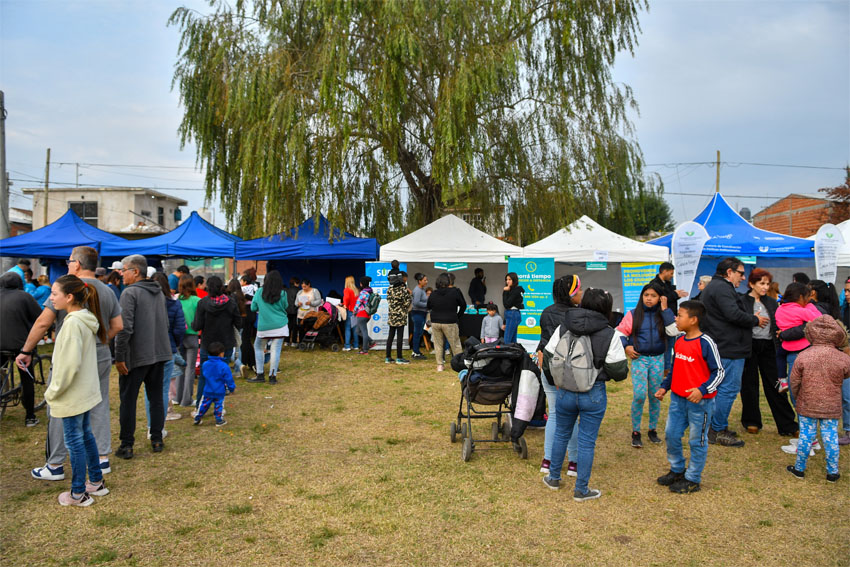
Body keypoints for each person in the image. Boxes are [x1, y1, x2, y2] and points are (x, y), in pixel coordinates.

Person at [21, 246, 123, 480]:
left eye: (69, 261)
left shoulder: (67, 288)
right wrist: (99, 341)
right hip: (100, 353)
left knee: (60, 404)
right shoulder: (107, 290)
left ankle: (55, 463)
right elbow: (118, 325)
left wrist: (26, 349)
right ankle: (101, 458)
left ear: (77, 264)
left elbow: (42, 323)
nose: (68, 265)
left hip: (71, 353)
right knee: (98, 402)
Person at [541, 288, 628, 501]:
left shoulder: (565, 326)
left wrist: (558, 381)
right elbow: (619, 372)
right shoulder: (611, 334)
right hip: (593, 392)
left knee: (562, 433)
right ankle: (581, 490)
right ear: (607, 308)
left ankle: (553, 477)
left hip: (566, 390)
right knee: (587, 442)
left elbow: (549, 356)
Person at [41, 275, 109, 506]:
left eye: (54, 293)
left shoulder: (72, 323)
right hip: (83, 392)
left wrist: (53, 392)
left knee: (75, 441)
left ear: (69, 297)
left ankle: (78, 493)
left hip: (72, 394)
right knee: (85, 436)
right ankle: (96, 482)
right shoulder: (84, 318)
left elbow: (68, 366)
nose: (51, 298)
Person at [654, 300, 725, 494]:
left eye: (680, 315)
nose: (676, 319)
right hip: (677, 400)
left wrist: (702, 390)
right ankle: (677, 469)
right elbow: (676, 368)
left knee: (697, 440)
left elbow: (719, 372)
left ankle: (693, 478)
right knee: (671, 434)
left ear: (693, 320)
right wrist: (664, 387)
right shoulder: (679, 341)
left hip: (700, 403)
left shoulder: (706, 342)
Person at [699, 257, 768, 448]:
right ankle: (716, 429)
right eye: (741, 273)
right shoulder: (721, 288)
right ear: (729, 272)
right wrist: (754, 320)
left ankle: (715, 427)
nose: (743, 277)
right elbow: (732, 314)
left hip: (725, 345)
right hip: (728, 347)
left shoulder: (717, 287)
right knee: (727, 390)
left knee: (721, 389)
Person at [114, 254, 172, 459]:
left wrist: (119, 356)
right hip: (159, 353)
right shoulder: (157, 291)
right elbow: (164, 323)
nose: (121, 274)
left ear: (135, 271)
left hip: (137, 355)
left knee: (128, 400)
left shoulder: (130, 293)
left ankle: (127, 444)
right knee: (155, 398)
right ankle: (157, 439)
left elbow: (124, 327)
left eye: (124, 270)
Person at [786, 316, 850, 483]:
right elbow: (847, 374)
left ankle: (799, 469)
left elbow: (794, 380)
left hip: (807, 402)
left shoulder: (803, 356)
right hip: (831, 404)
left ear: (811, 334)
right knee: (831, 437)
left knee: (806, 435)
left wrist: (798, 395)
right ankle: (832, 472)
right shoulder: (842, 358)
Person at [617, 281, 677, 448]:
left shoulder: (664, 316)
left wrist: (666, 310)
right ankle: (636, 431)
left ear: (660, 298)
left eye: (653, 296)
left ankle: (652, 429)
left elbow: (673, 332)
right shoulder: (633, 314)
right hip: (639, 359)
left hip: (658, 359)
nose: (649, 299)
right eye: (646, 295)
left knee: (655, 396)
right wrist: (626, 346)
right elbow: (619, 333)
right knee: (639, 395)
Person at [739, 269, 798, 436]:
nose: (765, 287)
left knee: (776, 385)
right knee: (749, 384)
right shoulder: (741, 301)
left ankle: (787, 425)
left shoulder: (772, 302)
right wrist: (753, 320)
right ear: (751, 284)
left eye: (767, 284)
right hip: (749, 346)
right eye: (761, 283)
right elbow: (738, 320)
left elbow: (779, 321)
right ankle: (751, 421)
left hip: (770, 346)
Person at [536, 274, 582, 477]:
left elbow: (543, 341)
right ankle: (574, 462)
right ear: (571, 293)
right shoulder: (579, 315)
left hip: (548, 369)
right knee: (571, 416)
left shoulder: (546, 312)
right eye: (579, 290)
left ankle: (548, 460)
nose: (581, 293)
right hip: (571, 371)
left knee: (554, 414)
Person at [192, 275, 242, 409]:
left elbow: (197, 325)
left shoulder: (202, 303)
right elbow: (239, 323)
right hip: (225, 344)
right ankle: (219, 407)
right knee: (222, 375)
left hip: (207, 344)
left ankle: (199, 405)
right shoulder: (231, 302)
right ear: (221, 287)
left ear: (208, 288)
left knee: (204, 375)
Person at [0, 272, 42, 426]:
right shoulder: (24, 297)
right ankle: (30, 417)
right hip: (20, 346)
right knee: (27, 379)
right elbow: (41, 318)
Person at [146, 273, 186, 429]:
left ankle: (151, 426)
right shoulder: (174, 304)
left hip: (147, 349)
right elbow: (179, 329)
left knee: (149, 390)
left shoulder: (145, 303)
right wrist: (175, 345)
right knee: (163, 389)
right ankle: (158, 427)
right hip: (167, 348)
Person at [775, 283, 823, 396]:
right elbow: (819, 319)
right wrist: (810, 307)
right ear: (801, 297)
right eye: (807, 298)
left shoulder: (779, 310)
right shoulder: (802, 311)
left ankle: (782, 380)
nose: (808, 301)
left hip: (786, 346)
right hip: (803, 346)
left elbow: (779, 324)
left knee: (779, 356)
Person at [247, 270, 288, 384]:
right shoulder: (283, 293)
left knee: (258, 348)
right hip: (280, 325)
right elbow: (286, 306)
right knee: (275, 351)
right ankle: (272, 376)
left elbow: (253, 308)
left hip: (264, 326)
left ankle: (260, 374)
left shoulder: (260, 292)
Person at [427, 273, 466, 371]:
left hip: (435, 321)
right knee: (455, 344)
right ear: (449, 281)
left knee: (438, 344)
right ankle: (459, 365)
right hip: (450, 321)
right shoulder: (455, 291)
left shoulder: (433, 293)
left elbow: (428, 306)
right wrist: (458, 316)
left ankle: (440, 365)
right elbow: (463, 305)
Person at [193, 342, 236, 426]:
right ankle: (219, 420)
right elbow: (229, 379)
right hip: (219, 390)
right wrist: (232, 388)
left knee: (204, 404)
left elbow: (204, 375)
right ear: (221, 354)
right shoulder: (224, 366)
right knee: (219, 405)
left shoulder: (205, 364)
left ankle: (198, 418)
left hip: (208, 390)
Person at [176, 276, 201, 407]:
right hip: (192, 336)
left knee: (180, 367)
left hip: (179, 337)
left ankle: (178, 397)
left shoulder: (176, 300)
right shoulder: (197, 300)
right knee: (190, 368)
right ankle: (187, 399)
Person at [386, 267, 411, 365]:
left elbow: (389, 301)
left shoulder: (389, 289)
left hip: (392, 315)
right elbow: (406, 303)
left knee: (390, 336)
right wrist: (409, 295)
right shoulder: (403, 290)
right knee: (399, 337)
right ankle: (399, 357)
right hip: (400, 316)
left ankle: (388, 357)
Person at [226, 278, 247, 375]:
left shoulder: (231, 297)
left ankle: (239, 365)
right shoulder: (241, 295)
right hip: (242, 322)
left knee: (230, 348)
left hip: (234, 323)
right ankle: (238, 369)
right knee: (238, 346)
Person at [354, 276, 376, 355]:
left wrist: (354, 310)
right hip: (367, 314)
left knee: (363, 332)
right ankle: (371, 341)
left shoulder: (363, 292)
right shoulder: (370, 291)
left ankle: (365, 350)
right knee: (358, 331)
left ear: (361, 284)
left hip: (362, 314)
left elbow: (358, 302)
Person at [295, 279, 322, 343]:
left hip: (311, 314)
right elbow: (295, 302)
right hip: (301, 314)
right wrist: (298, 304)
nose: (303, 288)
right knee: (301, 328)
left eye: (305, 286)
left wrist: (311, 303)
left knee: (309, 328)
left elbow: (319, 301)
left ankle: (309, 342)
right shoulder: (300, 292)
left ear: (309, 285)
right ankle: (301, 343)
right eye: (302, 286)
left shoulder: (315, 291)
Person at [410, 273, 429, 359]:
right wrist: (427, 304)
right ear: (419, 281)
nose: (426, 282)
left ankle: (416, 351)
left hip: (422, 313)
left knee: (419, 332)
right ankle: (415, 352)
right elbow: (416, 303)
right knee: (417, 333)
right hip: (417, 313)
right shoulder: (417, 290)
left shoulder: (421, 290)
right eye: (424, 280)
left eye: (426, 280)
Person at [502, 272, 524, 344]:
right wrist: (504, 322)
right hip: (512, 314)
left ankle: (506, 354)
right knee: (512, 340)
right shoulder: (511, 290)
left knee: (507, 339)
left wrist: (505, 292)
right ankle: (513, 354)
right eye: (506, 279)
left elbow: (506, 304)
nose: (507, 281)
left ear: (514, 280)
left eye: (510, 279)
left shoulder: (517, 290)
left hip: (513, 314)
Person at [342, 276, 360, 352]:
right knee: (355, 329)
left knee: (347, 328)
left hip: (349, 311)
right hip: (356, 311)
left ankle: (347, 346)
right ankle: (356, 345)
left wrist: (344, 305)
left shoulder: (347, 290)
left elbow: (346, 299)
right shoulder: (356, 290)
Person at [842, 277, 850, 446]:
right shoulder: (845, 310)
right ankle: (849, 431)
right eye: (846, 290)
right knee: (847, 396)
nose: (847, 294)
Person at [285, 277, 301, 346]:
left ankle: (287, 341)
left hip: (287, 310)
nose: (299, 284)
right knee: (295, 326)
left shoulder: (286, 290)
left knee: (288, 326)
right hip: (296, 310)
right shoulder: (299, 291)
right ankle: (294, 342)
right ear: (295, 283)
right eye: (298, 283)